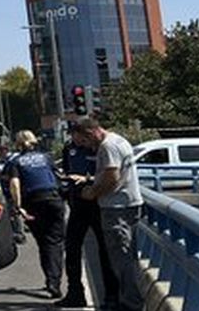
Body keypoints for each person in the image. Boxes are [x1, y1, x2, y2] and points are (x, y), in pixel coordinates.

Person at [75, 118, 144, 311]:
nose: (86, 147)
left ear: (91, 133)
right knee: (128, 257)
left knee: (121, 259)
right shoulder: (119, 140)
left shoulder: (107, 147)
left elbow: (112, 177)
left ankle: (131, 304)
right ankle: (130, 300)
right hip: (129, 204)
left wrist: (92, 192)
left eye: (84, 142)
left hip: (116, 209)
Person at [59, 121, 118, 309]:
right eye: (75, 138)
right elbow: (68, 170)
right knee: (72, 248)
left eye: (79, 138)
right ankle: (75, 293)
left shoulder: (100, 147)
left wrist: (88, 179)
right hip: (78, 203)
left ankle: (111, 296)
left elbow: (110, 175)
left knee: (105, 252)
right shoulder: (69, 148)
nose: (78, 142)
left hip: (97, 202)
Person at [3, 130, 66, 298]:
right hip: (53, 201)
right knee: (55, 242)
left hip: (33, 204)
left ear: (18, 144)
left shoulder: (15, 162)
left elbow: (14, 184)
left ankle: (51, 280)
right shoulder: (46, 157)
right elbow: (59, 176)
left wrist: (18, 207)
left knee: (44, 243)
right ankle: (54, 281)